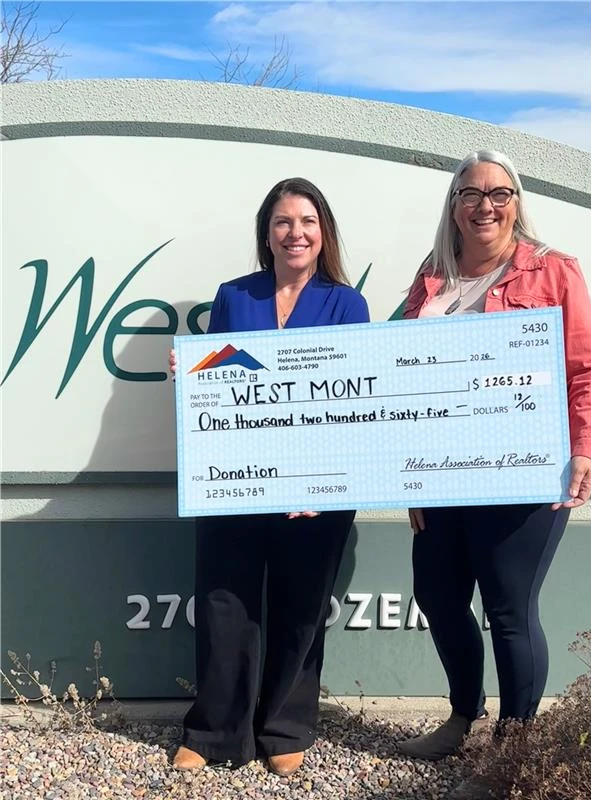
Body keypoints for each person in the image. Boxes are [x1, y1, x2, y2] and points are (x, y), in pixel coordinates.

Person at [397, 151, 591, 798]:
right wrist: (407, 474)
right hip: (441, 474)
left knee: (508, 610)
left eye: (499, 193)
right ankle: (463, 716)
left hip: (525, 472)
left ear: (516, 202)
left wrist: (587, 450)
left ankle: (511, 754)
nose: (484, 206)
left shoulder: (553, 270)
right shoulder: (432, 279)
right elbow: (398, 375)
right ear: (454, 205)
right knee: (438, 596)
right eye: (470, 193)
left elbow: (589, 370)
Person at [169, 178, 369, 777]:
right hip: (237, 478)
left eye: (307, 222)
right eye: (283, 222)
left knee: (300, 605)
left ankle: (284, 727)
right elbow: (220, 376)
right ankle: (214, 731)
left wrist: (323, 481)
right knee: (224, 604)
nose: (295, 233)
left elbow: (358, 400)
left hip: (315, 487)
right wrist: (190, 369)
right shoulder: (235, 295)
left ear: (323, 232)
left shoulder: (346, 304)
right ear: (266, 234)